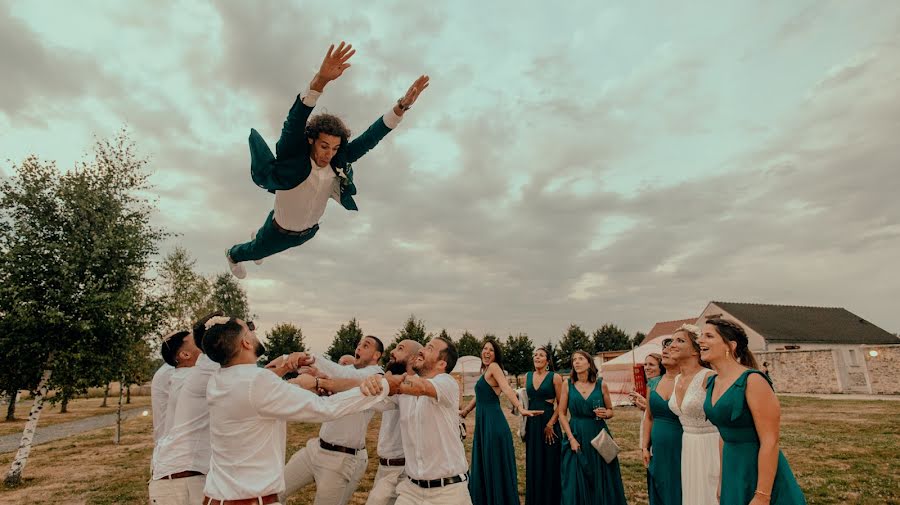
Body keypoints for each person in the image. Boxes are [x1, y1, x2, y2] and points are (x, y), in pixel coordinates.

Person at [225, 41, 430, 278]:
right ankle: (233, 253)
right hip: (281, 232)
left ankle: (259, 238)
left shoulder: (336, 161)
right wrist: (319, 82)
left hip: (308, 231)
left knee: (270, 233)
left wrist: (402, 106)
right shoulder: (294, 153)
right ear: (311, 140)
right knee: (257, 250)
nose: (328, 154)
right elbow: (295, 121)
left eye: (334, 148)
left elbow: (371, 137)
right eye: (324, 146)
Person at [200, 317, 390, 505]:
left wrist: (293, 373)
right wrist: (384, 387)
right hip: (249, 500)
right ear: (246, 342)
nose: (254, 330)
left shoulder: (218, 379)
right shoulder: (257, 381)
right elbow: (324, 408)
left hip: (217, 497)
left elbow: (263, 391)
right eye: (249, 329)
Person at [701, 319, 807, 505]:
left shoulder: (753, 381)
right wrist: (722, 480)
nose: (700, 340)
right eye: (701, 336)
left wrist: (762, 495)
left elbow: (770, 441)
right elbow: (724, 435)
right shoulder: (711, 383)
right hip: (732, 468)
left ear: (730, 345)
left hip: (759, 469)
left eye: (708, 336)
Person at [359, 336, 473, 505]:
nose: (422, 350)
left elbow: (421, 387)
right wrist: (325, 383)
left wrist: (386, 382)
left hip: (449, 493)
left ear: (441, 364)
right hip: (411, 491)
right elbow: (370, 394)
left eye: (430, 348)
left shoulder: (447, 383)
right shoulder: (403, 393)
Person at [282, 336, 386, 504]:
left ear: (376, 355)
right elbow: (337, 377)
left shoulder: (376, 376)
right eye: (358, 344)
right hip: (315, 448)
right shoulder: (348, 372)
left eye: (365, 346)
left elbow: (345, 374)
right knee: (275, 490)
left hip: (340, 458)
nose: (358, 348)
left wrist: (313, 358)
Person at [149, 314, 220, 505]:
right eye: (195, 342)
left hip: (185, 475)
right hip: (179, 482)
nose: (201, 343)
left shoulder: (175, 374)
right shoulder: (191, 377)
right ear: (185, 355)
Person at [459, 339, 539, 505]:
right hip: (484, 424)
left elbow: (506, 388)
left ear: (496, 354)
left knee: (494, 466)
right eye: (484, 349)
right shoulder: (486, 370)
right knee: (485, 464)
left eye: (491, 350)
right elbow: (479, 395)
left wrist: (520, 407)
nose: (486, 352)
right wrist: (466, 411)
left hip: (493, 425)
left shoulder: (495, 368)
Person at [558, 350, 628, 505]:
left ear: (589, 363)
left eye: (580, 359)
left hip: (598, 434)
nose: (576, 362)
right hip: (576, 434)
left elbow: (611, 411)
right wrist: (570, 438)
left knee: (601, 476)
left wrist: (606, 413)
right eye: (574, 359)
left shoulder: (601, 384)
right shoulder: (567, 384)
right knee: (575, 477)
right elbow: (562, 414)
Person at [667, 324, 719, 505]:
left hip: (711, 444)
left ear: (695, 351)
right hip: (688, 444)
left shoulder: (709, 377)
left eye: (680, 341)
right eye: (671, 341)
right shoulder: (677, 379)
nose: (671, 345)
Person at [149, 329, 200, 481]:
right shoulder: (177, 373)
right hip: (181, 467)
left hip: (181, 462)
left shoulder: (178, 370)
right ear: (184, 354)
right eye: (197, 342)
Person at [641, 341, 682, 505]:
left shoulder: (686, 381)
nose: (665, 351)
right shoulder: (653, 383)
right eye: (664, 349)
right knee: (660, 485)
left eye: (671, 349)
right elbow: (649, 417)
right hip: (658, 447)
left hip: (681, 444)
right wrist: (644, 446)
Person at [524, 346, 562, 505]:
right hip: (532, 424)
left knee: (550, 462)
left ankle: (551, 499)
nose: (537, 357)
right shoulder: (528, 376)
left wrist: (551, 424)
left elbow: (562, 404)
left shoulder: (555, 377)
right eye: (535, 355)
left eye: (541, 355)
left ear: (547, 360)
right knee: (534, 461)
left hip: (549, 422)